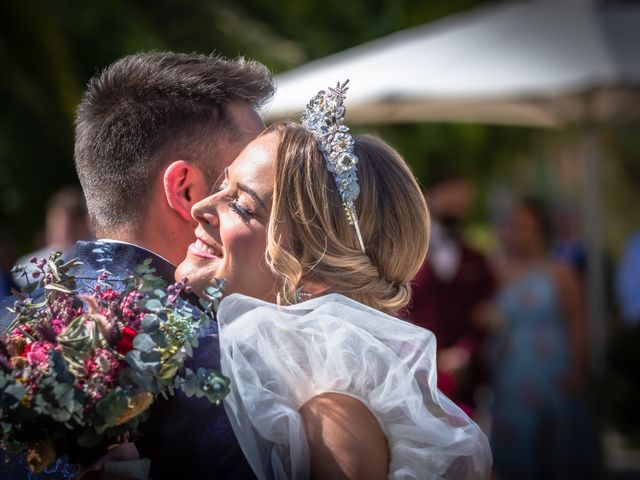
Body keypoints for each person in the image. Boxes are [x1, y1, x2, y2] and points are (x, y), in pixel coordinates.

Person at [176, 83, 491, 479]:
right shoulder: (265, 378)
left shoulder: (334, 424)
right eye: (222, 185)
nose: (201, 207)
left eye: (242, 205)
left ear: (315, 276)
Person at [0, 51, 272, 480]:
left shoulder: (10, 329)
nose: (270, 203)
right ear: (185, 192)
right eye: (244, 185)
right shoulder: (220, 356)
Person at [489, 198, 597, 480]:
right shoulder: (495, 272)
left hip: (555, 376)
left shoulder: (561, 273)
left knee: (560, 455)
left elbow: (578, 321)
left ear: (542, 230)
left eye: (529, 227)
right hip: (511, 378)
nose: (522, 234)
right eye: (515, 227)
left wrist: (578, 369)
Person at [403, 172, 495, 413]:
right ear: (428, 196)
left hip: (463, 382)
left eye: (464, 197)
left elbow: (483, 314)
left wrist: (463, 353)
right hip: (413, 375)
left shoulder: (477, 259)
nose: (458, 202)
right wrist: (430, 357)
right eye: (451, 193)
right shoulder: (406, 254)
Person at [12, 185, 91, 288]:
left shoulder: (94, 256)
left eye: (70, 228)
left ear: (84, 225)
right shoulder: (27, 266)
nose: (62, 232)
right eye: (55, 224)